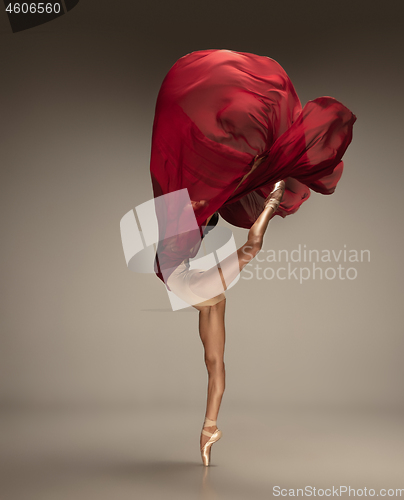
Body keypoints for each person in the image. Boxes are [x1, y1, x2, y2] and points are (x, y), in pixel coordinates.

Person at [149, 49, 356, 465]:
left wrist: (270, 197)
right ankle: (210, 429)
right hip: (185, 264)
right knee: (214, 360)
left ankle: (210, 428)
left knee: (214, 359)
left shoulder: (203, 285)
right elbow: (250, 247)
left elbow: (249, 248)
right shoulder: (210, 291)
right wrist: (271, 197)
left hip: (180, 260)